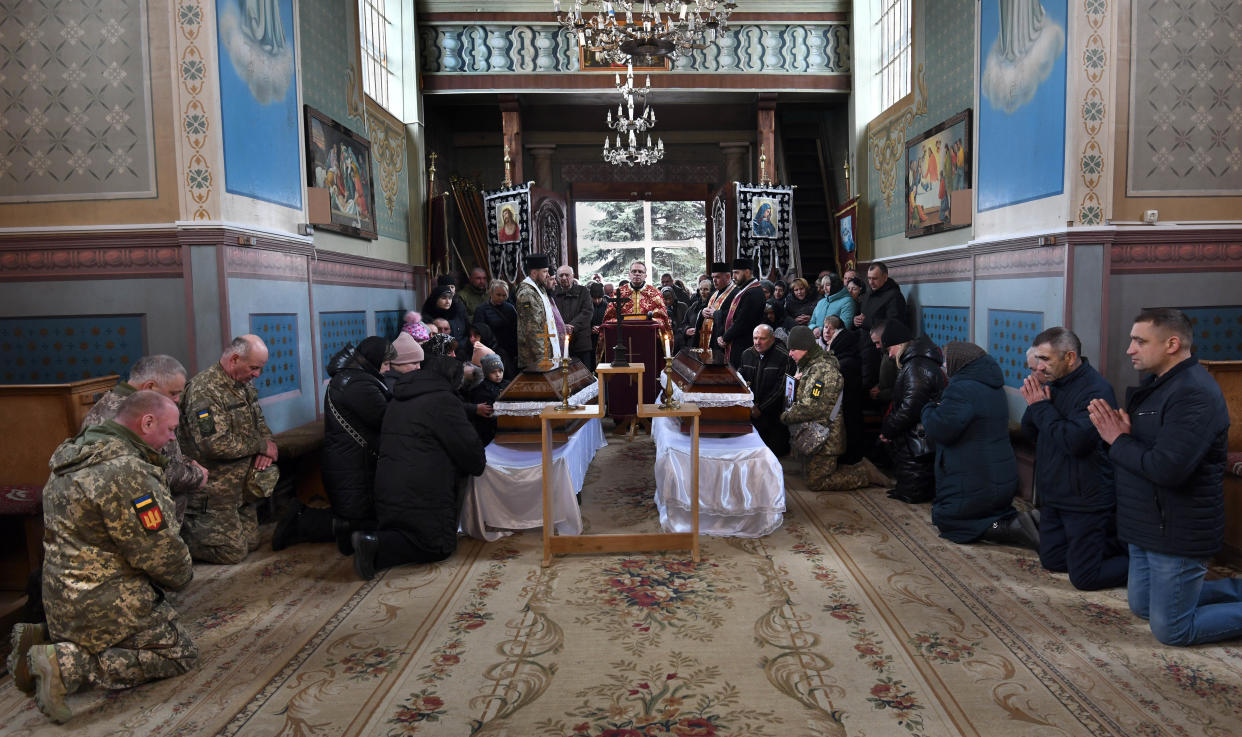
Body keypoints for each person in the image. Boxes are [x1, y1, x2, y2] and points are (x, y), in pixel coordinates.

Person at [15, 391, 195, 723]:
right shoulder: (126, 471)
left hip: (59, 597)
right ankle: (65, 664)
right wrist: (183, 576)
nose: (172, 439)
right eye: (170, 430)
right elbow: (158, 550)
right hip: (102, 600)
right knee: (178, 653)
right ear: (147, 421)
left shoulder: (73, 453)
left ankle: (47, 635)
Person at [1088, 308, 1239, 646]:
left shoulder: (1193, 394)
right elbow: (1145, 450)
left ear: (1172, 344)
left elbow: (1167, 468)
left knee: (1172, 629)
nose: (1130, 349)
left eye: (1139, 341)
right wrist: (1124, 437)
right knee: (1142, 606)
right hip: (1147, 523)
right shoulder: (1158, 385)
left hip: (1178, 528)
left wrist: (1118, 439)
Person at [352, 355, 487, 579]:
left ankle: (372, 542)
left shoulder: (399, 395)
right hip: (423, 491)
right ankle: (376, 544)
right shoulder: (443, 401)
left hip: (387, 488)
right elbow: (472, 457)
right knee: (439, 546)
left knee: (404, 530)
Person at [1021, 327, 1128, 589]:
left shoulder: (1096, 390)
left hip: (1085, 498)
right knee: (1053, 560)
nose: (1039, 366)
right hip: (1055, 494)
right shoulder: (1052, 384)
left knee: (1084, 578)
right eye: (1038, 359)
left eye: (1045, 359)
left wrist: (1041, 407)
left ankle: (1143, 560)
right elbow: (1030, 430)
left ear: (1069, 357)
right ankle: (1102, 543)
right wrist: (1037, 404)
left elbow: (1075, 442)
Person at [275, 336, 394, 554]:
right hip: (353, 465)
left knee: (363, 519)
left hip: (350, 460)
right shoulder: (359, 384)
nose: (387, 370)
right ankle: (300, 521)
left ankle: (301, 519)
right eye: (386, 364)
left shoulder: (353, 377)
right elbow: (387, 418)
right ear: (374, 360)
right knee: (360, 523)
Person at [922, 342, 1038, 549]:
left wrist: (929, 408)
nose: (944, 366)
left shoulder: (962, 389)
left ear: (959, 363)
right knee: (987, 512)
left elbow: (940, 429)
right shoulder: (991, 385)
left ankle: (1012, 528)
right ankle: (1012, 523)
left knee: (951, 522)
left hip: (975, 476)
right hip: (999, 475)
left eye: (947, 362)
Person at [178, 335, 279, 564]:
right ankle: (185, 533)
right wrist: (260, 446)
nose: (257, 375)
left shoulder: (243, 384)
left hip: (240, 489)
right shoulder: (205, 391)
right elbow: (213, 444)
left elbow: (260, 423)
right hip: (214, 492)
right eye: (254, 368)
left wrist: (266, 447)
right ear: (234, 359)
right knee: (232, 553)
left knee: (252, 542)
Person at [80, 354, 207, 521]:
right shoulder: (129, 415)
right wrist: (197, 474)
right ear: (150, 387)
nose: (177, 400)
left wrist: (185, 461)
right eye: (173, 393)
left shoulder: (117, 404)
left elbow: (158, 456)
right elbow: (155, 471)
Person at [781, 327, 892, 490]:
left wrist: (785, 416)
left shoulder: (823, 372)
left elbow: (813, 406)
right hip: (814, 433)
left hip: (826, 438)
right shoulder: (810, 365)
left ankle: (863, 474)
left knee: (816, 482)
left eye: (793, 350)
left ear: (805, 348)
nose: (790, 354)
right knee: (808, 472)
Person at [877, 321, 944, 504]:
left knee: (914, 488)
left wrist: (889, 430)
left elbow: (910, 408)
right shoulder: (915, 363)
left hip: (918, 439)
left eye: (889, 348)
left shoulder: (915, 367)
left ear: (899, 345)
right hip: (915, 437)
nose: (890, 354)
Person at [739, 324, 796, 456]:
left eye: (762, 339)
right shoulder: (746, 354)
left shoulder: (784, 357)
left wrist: (761, 408)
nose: (757, 342)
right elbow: (740, 380)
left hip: (774, 416)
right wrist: (750, 406)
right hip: (750, 412)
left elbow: (782, 388)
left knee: (775, 455)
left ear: (772, 338)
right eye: (755, 338)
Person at [855, 262, 908, 391]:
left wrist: (866, 322)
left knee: (868, 380)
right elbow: (864, 315)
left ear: (885, 277)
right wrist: (856, 320)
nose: (871, 282)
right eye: (869, 278)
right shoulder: (869, 293)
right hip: (863, 341)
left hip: (879, 347)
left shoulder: (894, 296)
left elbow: (894, 323)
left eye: (875, 278)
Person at [822, 315, 865, 464]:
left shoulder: (844, 362)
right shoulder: (834, 356)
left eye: (831, 329)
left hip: (846, 410)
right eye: (825, 327)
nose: (827, 332)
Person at [515, 253, 566, 370]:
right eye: (544, 272)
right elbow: (533, 330)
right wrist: (543, 358)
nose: (547, 275)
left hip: (548, 353)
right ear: (534, 273)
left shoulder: (540, 288)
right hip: (536, 358)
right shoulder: (527, 293)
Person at [716, 257, 767, 369]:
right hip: (737, 342)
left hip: (744, 344)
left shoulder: (753, 293)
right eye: (733, 273)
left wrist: (725, 338)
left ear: (747, 272)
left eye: (736, 273)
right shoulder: (746, 290)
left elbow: (742, 322)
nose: (734, 277)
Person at [601, 260, 671, 332]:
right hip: (623, 334)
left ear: (645, 275)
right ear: (629, 274)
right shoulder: (619, 293)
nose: (637, 274)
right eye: (634, 271)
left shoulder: (655, 294)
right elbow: (608, 319)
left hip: (648, 334)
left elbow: (663, 319)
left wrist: (651, 320)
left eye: (640, 272)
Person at [553, 264, 595, 367]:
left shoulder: (583, 291)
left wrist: (572, 326)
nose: (564, 278)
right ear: (557, 278)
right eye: (561, 275)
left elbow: (587, 312)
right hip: (560, 342)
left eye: (566, 275)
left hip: (581, 342)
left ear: (572, 276)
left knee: (584, 376)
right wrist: (562, 327)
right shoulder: (553, 293)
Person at [474, 279, 518, 378]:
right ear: (491, 292)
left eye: (504, 295)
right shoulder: (481, 310)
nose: (501, 298)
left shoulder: (510, 309)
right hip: (491, 350)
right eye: (498, 295)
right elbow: (479, 331)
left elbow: (515, 329)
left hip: (509, 350)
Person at [692, 263, 735, 351]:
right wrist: (702, 312)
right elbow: (704, 310)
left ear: (727, 277)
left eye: (717, 277)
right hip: (708, 340)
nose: (714, 280)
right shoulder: (713, 294)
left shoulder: (735, 293)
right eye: (713, 277)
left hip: (720, 341)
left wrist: (716, 314)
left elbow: (734, 316)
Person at [468, 353, 508, 445]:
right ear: (486, 373)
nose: (498, 375)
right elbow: (488, 415)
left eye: (500, 371)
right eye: (493, 372)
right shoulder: (481, 391)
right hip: (491, 433)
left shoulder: (508, 384)